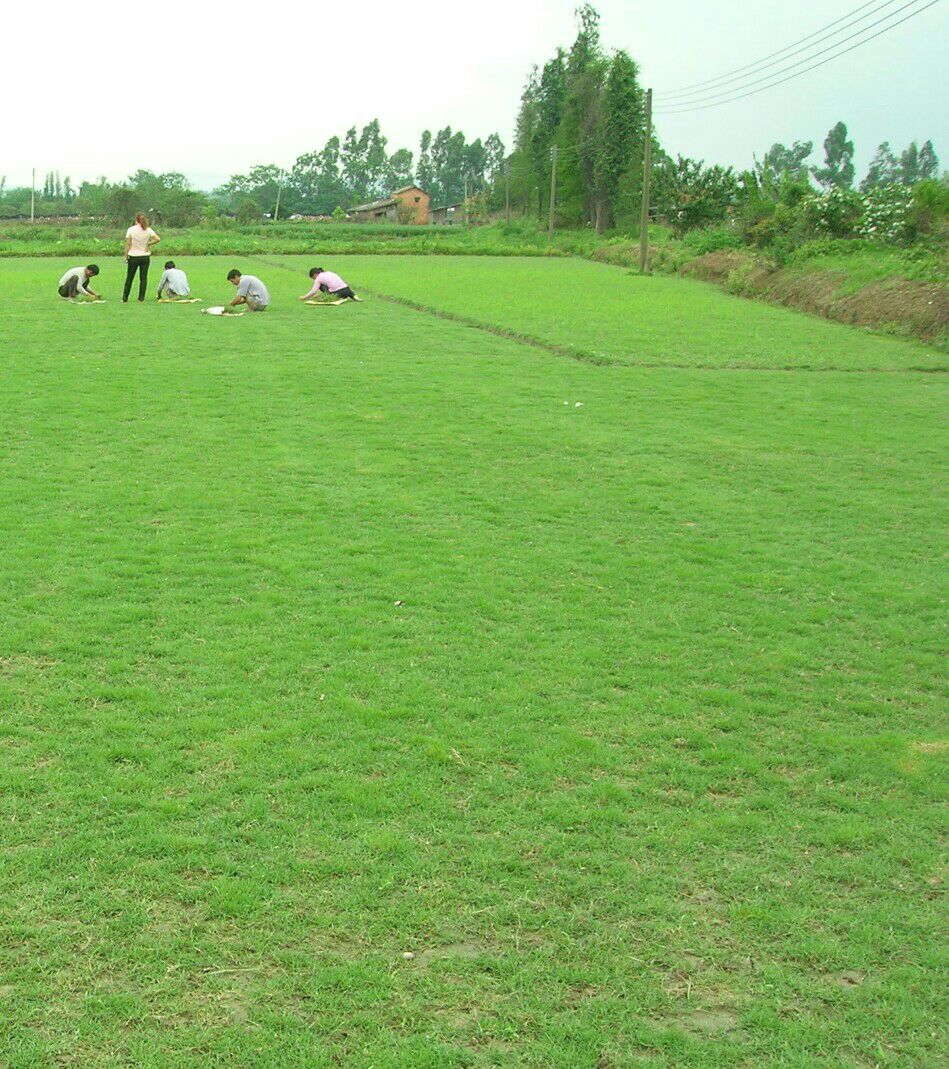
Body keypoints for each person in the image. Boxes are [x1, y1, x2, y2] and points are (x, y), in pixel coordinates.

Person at [123, 212, 160, 302]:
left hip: (133, 256)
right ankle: (141, 298)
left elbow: (128, 244)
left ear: (136, 220)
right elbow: (158, 239)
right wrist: (148, 244)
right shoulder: (148, 230)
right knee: (143, 278)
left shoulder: (131, 230)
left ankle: (125, 298)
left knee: (129, 278)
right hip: (145, 256)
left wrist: (125, 255)